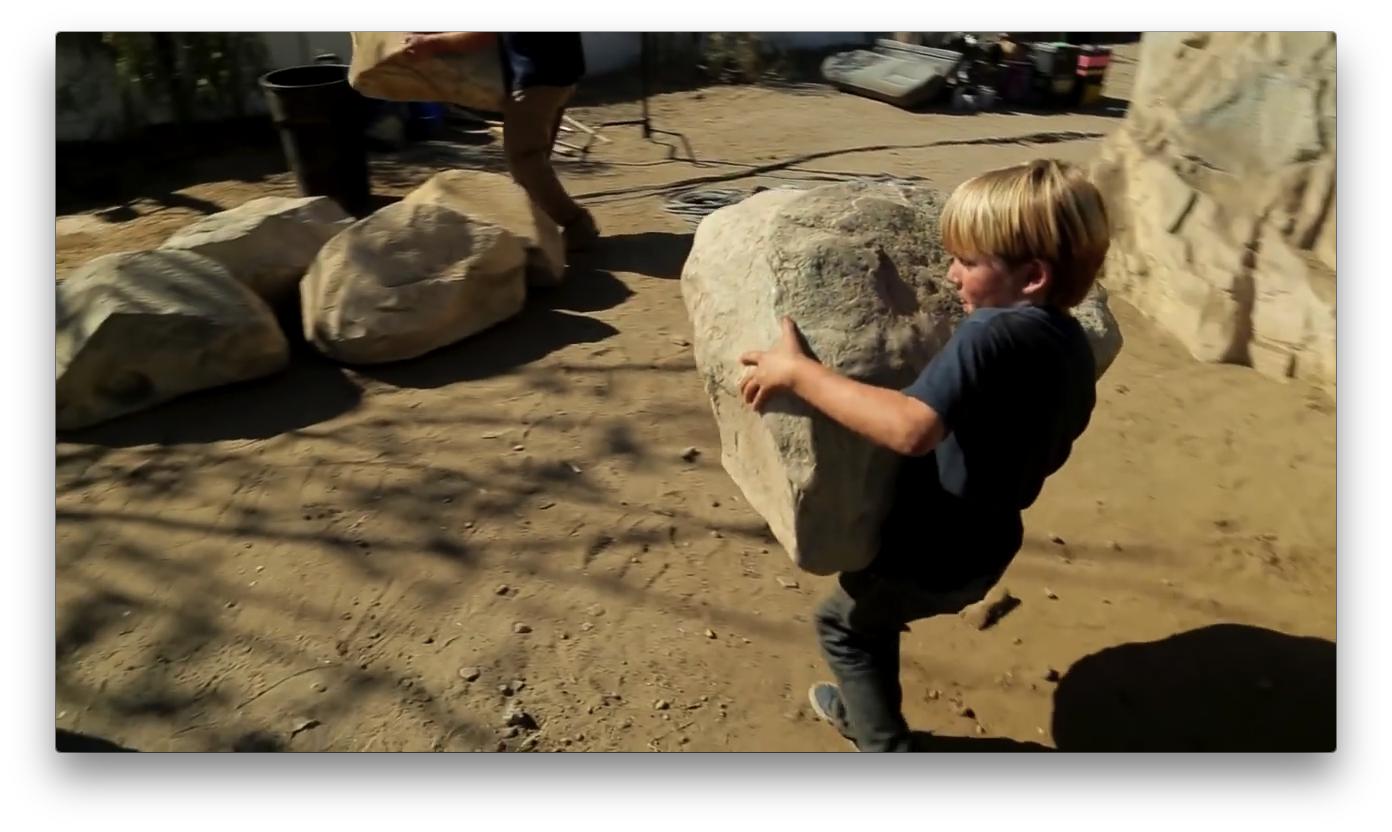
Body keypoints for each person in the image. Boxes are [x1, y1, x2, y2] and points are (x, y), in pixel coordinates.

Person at [738, 159, 1110, 751]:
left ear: (1032, 275)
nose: (950, 274)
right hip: (988, 545)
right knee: (874, 619)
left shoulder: (990, 332)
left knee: (842, 628)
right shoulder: (1068, 345)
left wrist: (800, 373)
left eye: (967, 261)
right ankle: (868, 714)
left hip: (926, 551)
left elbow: (912, 428)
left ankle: (887, 749)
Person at [402, 32, 601, 253]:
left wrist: (431, 43)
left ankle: (576, 224)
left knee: (525, 159)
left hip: (540, 80)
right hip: (556, 74)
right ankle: (543, 229)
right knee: (534, 159)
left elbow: (484, 34)